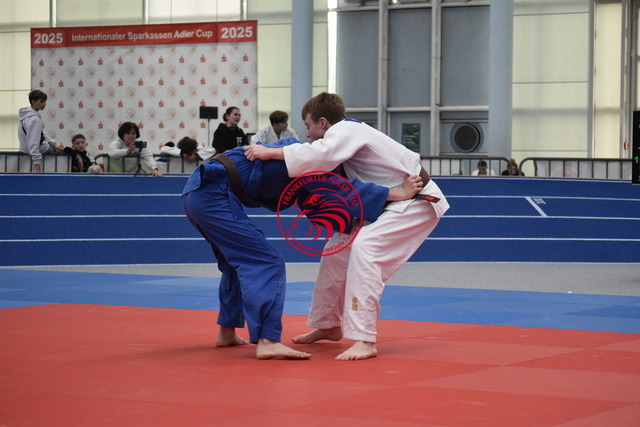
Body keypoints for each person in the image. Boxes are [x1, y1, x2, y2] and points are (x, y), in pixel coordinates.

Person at [244, 92, 449, 361]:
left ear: (323, 122)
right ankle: (327, 324)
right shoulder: (344, 139)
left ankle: (365, 338)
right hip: (392, 201)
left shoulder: (347, 130)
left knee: (366, 247)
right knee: (336, 250)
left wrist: (270, 151)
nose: (307, 134)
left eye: (308, 126)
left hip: (418, 200)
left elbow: (319, 153)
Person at [182, 137, 424, 360]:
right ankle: (267, 341)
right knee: (266, 262)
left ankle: (227, 332)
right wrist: (400, 193)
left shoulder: (294, 154)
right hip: (212, 193)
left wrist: (350, 223)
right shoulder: (307, 159)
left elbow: (323, 204)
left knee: (235, 262)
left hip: (198, 191)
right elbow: (346, 189)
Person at [18, 89, 64, 172]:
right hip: (31, 151)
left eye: (45, 101)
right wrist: (36, 160)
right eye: (42, 101)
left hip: (25, 151)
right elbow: (33, 141)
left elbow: (42, 134)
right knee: (55, 149)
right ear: (33, 102)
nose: (45, 104)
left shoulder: (26, 117)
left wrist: (55, 145)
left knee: (53, 147)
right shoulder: (34, 119)